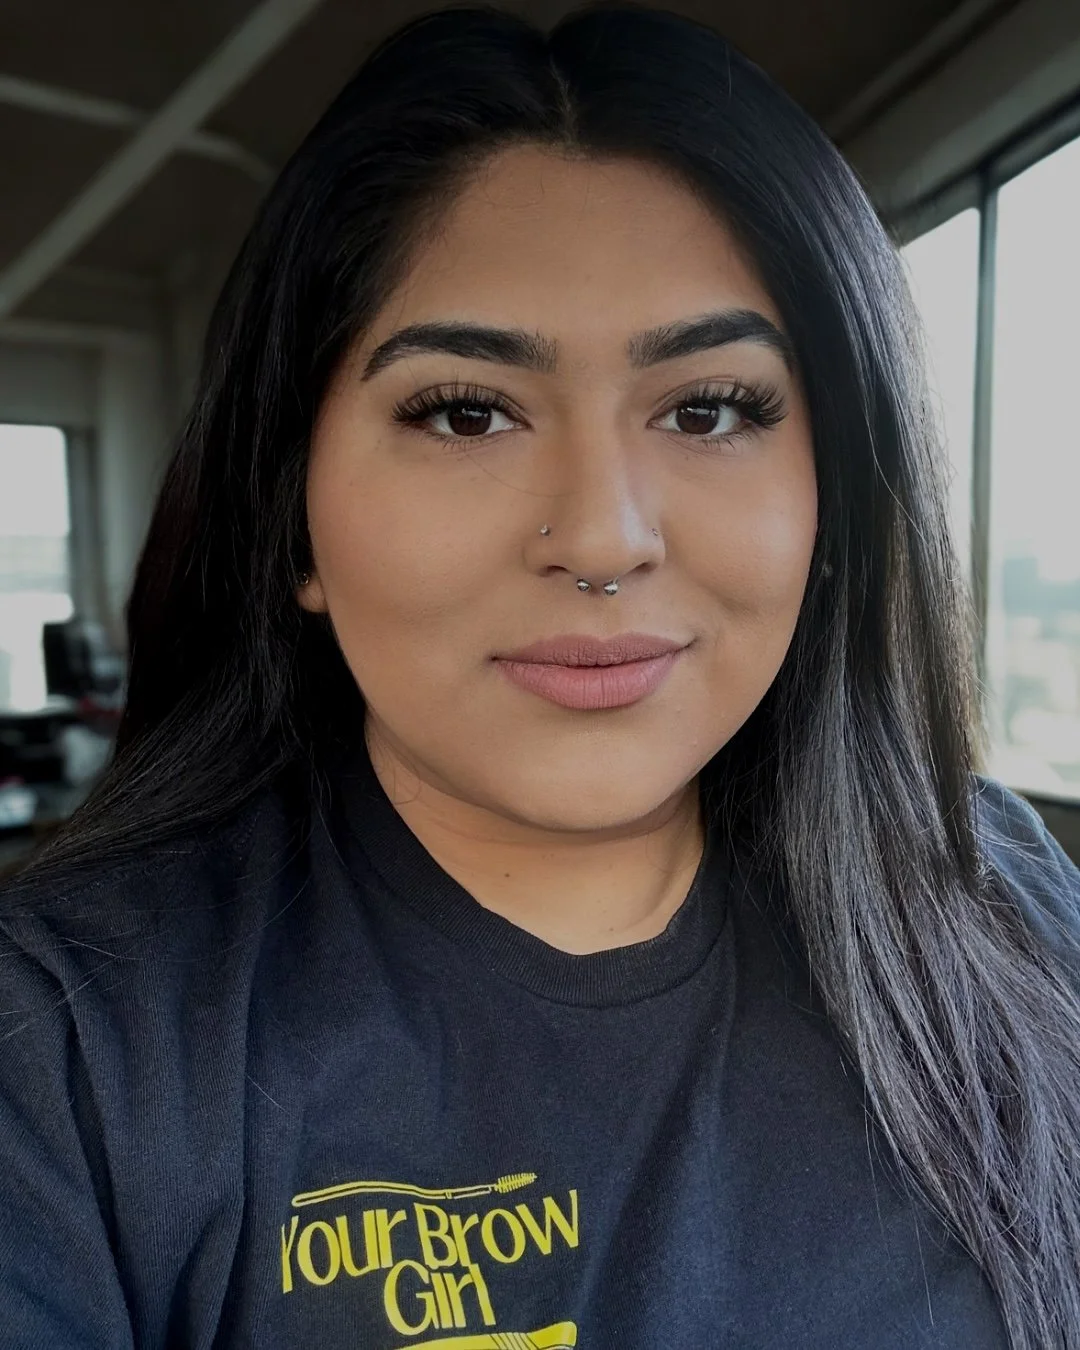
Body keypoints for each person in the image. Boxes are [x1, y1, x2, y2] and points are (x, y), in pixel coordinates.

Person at [2, 4, 1079, 1347]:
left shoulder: (1000, 891)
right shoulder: (68, 1051)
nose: (603, 535)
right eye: (465, 410)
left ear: (839, 499)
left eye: (710, 408)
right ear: (293, 520)